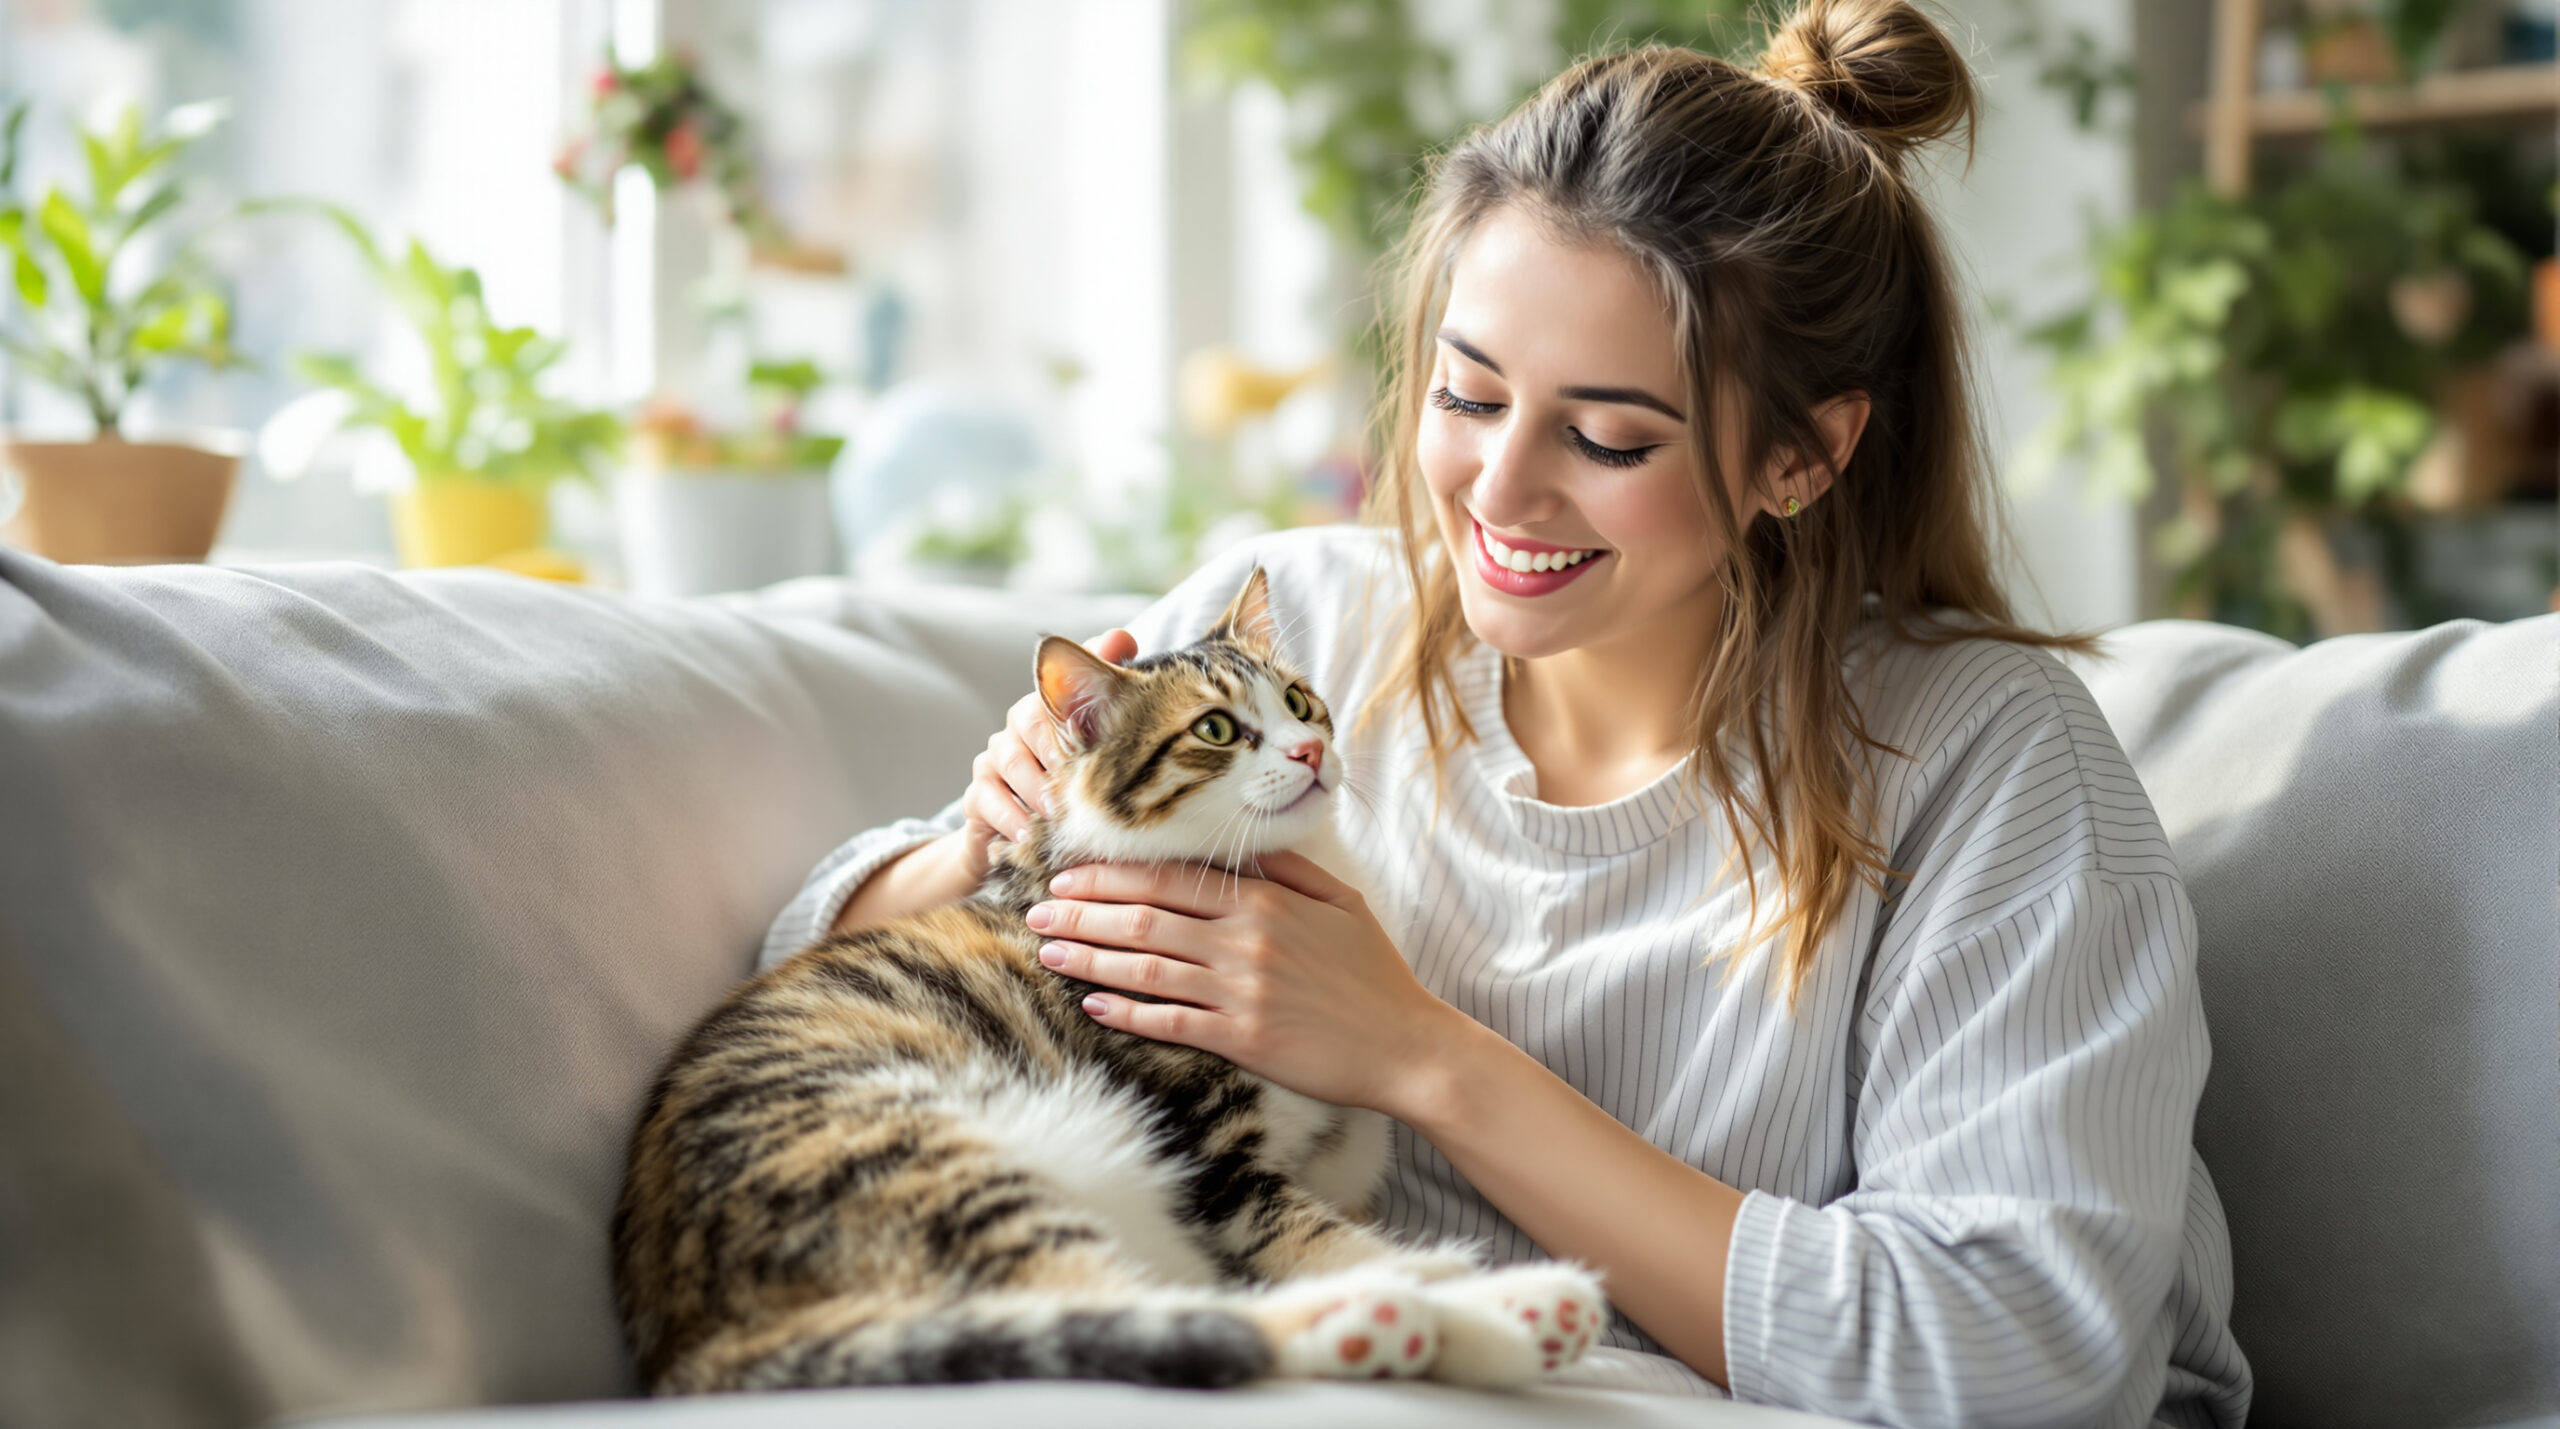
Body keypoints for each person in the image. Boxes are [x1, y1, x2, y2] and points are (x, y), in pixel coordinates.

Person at [763, 3, 2252, 1423]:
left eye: (1607, 436)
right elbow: (827, 997)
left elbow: (2022, 1359)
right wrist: (985, 840)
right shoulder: (1294, 618)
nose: (1501, 490)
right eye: (1469, 398)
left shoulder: (1988, 761)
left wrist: (1425, 1059)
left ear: (1801, 457)